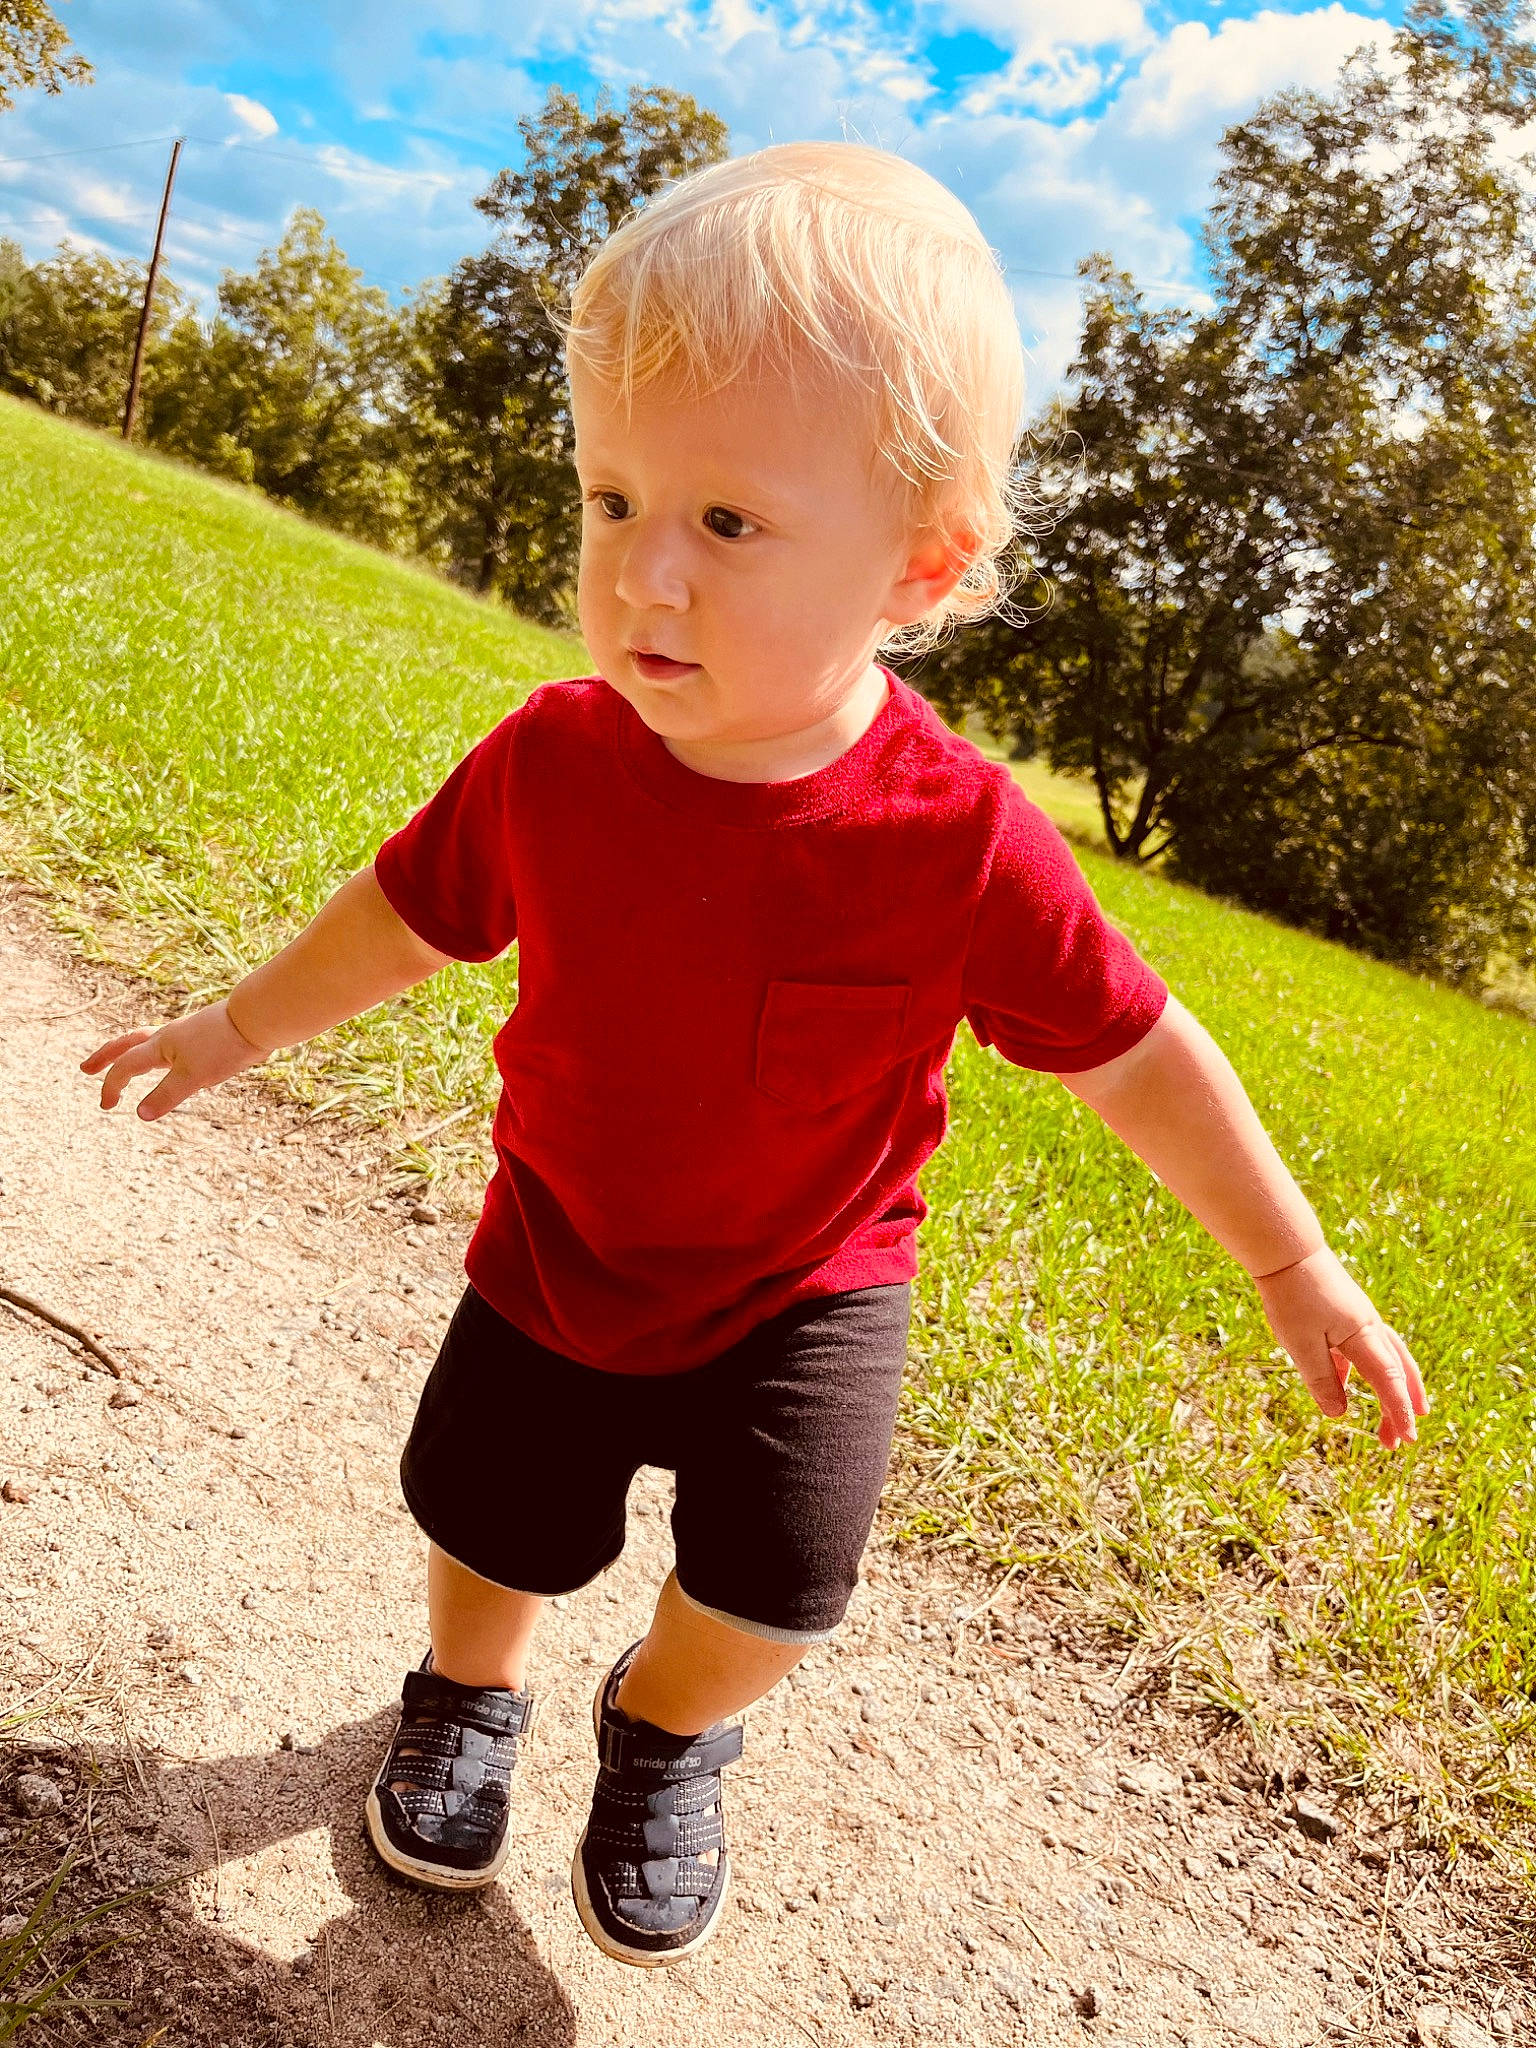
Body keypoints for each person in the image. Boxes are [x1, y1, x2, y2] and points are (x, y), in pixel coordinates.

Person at [79, 141, 1430, 1971]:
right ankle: (470, 1694)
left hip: (811, 1285)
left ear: (922, 565)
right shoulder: (552, 762)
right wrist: (232, 1024)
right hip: (563, 1236)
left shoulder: (956, 839)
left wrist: (1292, 1258)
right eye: (613, 493)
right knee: (489, 1525)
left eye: (727, 522)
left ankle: (663, 1722)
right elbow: (406, 914)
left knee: (781, 1591)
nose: (646, 569)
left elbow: (1136, 1050)